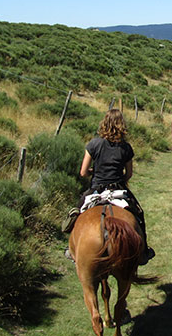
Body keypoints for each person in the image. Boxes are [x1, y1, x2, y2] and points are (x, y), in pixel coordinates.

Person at [64, 108, 155, 265]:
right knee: (139, 214)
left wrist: (95, 171)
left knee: (77, 213)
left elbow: (83, 172)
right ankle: (143, 251)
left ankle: (71, 249)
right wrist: (121, 179)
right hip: (118, 189)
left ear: (104, 123)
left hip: (96, 188)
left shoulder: (93, 144)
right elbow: (129, 174)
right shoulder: (126, 148)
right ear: (122, 125)